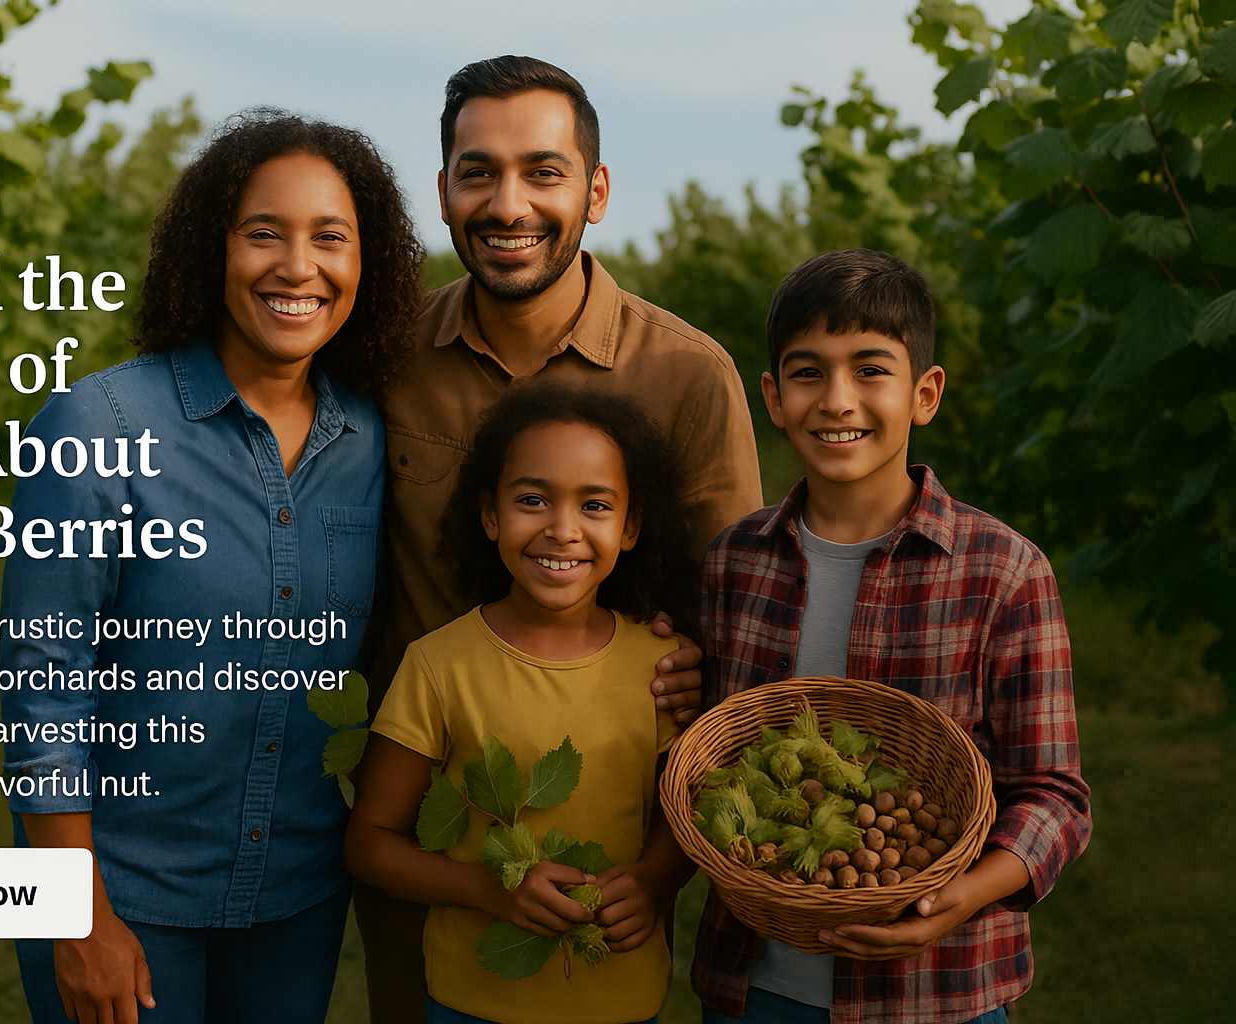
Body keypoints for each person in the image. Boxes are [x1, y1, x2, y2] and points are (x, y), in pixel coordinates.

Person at [359, 55, 765, 1022]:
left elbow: (739, 607)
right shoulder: (384, 358)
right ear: (445, 190)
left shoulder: (686, 376)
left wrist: (696, 664)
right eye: (477, 172)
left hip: (608, 832)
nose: (509, 204)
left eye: (543, 171)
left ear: (596, 190)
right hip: (421, 826)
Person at [0, 109, 423, 1024]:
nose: (297, 266)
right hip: (126, 892)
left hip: (296, 896)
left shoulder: (368, 440)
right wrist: (78, 920)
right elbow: (42, 693)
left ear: (367, 264)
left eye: (330, 238)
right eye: (262, 233)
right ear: (210, 249)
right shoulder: (96, 428)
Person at [689, 248, 1092, 1023]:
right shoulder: (734, 562)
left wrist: (956, 898)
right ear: (772, 397)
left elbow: (1055, 799)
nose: (838, 401)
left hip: (937, 993)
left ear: (925, 393)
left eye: (870, 370)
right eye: (808, 373)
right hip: (757, 988)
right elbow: (709, 754)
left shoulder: (1003, 573)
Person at [347, 383, 701, 1024]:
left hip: (620, 998)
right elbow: (370, 843)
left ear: (631, 527)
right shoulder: (438, 665)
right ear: (490, 516)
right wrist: (492, 891)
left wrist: (654, 879)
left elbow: (683, 812)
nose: (561, 530)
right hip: (473, 999)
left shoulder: (663, 666)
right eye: (532, 500)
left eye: (595, 505)